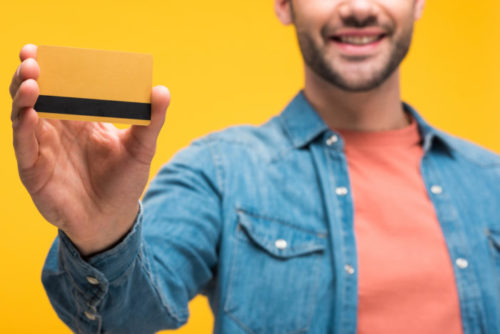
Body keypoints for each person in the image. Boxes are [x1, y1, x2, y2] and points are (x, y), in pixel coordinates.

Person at [9, 0, 500, 333]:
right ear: (284, 3)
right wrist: (103, 234)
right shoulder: (219, 173)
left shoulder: (491, 182)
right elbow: (122, 317)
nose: (357, 6)